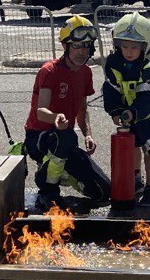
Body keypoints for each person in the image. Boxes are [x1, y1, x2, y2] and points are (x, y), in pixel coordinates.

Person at [23, 15, 110, 213]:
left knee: (104, 192)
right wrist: (55, 117)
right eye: (77, 46)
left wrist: (87, 134)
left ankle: (61, 173)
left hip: (65, 141)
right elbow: (40, 111)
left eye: (87, 46)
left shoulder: (85, 73)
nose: (82, 51)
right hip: (39, 138)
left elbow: (82, 109)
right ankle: (48, 189)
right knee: (66, 136)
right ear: (65, 46)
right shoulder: (49, 70)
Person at [102, 12, 150, 207]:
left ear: (145, 46)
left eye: (134, 47)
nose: (129, 51)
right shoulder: (113, 63)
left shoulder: (148, 68)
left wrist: (133, 113)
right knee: (133, 143)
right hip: (129, 107)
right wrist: (115, 111)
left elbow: (146, 98)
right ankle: (137, 180)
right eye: (124, 46)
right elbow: (110, 90)